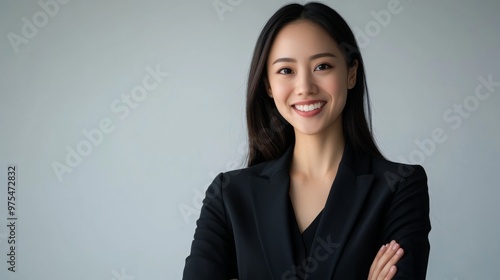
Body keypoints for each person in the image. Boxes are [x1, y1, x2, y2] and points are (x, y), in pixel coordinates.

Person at [183, 2, 431, 279]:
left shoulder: (399, 187)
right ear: (267, 84)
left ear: (350, 73)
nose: (305, 87)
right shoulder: (228, 194)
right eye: (286, 70)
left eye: (322, 66)